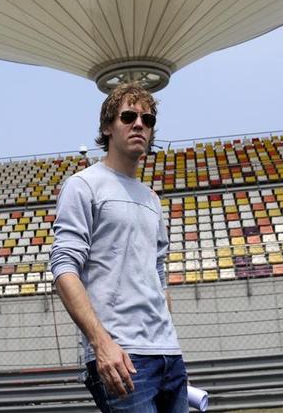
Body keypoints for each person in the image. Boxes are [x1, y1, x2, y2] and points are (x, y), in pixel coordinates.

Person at [50, 82, 188, 413]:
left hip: (168, 356)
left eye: (147, 119)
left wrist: (168, 339)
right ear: (107, 127)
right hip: (121, 355)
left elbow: (157, 272)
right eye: (128, 116)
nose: (139, 124)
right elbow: (64, 268)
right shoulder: (83, 186)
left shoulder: (152, 199)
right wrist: (101, 344)